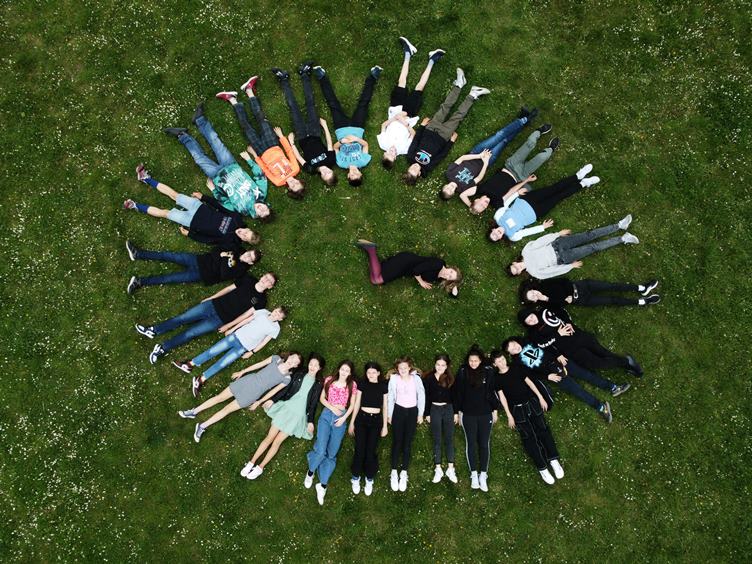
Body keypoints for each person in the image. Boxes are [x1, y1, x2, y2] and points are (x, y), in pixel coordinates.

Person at [134, 272, 276, 363]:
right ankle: (153, 330)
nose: (266, 280)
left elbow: (246, 315)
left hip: (220, 320)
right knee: (183, 318)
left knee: (191, 333)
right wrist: (212, 297)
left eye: (270, 281)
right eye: (266, 277)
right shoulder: (248, 279)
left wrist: (229, 326)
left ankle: (163, 348)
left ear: (270, 287)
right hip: (212, 305)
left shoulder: (261, 300)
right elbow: (229, 288)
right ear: (262, 276)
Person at [162, 108, 271, 217]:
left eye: (261, 213)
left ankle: (182, 135)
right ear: (267, 205)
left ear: (258, 216)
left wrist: (214, 190)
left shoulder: (242, 210)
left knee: (199, 158)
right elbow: (259, 175)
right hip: (231, 165)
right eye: (265, 208)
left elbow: (224, 203)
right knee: (216, 143)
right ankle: (200, 120)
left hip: (217, 177)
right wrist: (249, 160)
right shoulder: (261, 193)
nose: (261, 208)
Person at [123, 167, 268, 247]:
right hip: (199, 207)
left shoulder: (230, 242)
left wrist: (190, 234)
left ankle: (135, 205)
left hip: (191, 222)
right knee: (174, 195)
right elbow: (219, 206)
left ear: (245, 241)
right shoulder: (237, 218)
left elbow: (209, 240)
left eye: (245, 237)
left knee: (165, 213)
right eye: (246, 232)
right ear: (249, 228)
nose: (242, 233)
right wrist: (203, 197)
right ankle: (146, 179)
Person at [177, 352, 302, 443]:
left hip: (254, 393)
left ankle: (202, 426)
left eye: (295, 362)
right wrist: (243, 371)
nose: (292, 361)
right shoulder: (276, 359)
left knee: (226, 410)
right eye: (292, 358)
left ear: (296, 366)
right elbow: (258, 365)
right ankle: (193, 412)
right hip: (248, 380)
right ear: (289, 356)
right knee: (219, 397)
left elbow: (273, 392)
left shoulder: (287, 379)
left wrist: (259, 402)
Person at [240, 354, 325, 480]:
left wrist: (311, 421)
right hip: (286, 409)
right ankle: (251, 463)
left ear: (320, 368)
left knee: (277, 442)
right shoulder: (298, 375)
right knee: (269, 437)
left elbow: (313, 404)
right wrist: (273, 400)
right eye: (311, 364)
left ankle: (260, 467)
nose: (312, 367)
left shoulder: (318, 385)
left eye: (316, 365)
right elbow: (286, 389)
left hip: (298, 416)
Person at [502, 337, 626, 422]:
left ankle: (613, 387)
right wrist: (547, 376)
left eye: (514, 345)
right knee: (577, 391)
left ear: (516, 341)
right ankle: (601, 407)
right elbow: (531, 375)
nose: (515, 348)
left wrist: (558, 355)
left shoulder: (530, 341)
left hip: (560, 362)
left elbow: (548, 345)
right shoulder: (518, 363)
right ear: (510, 354)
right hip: (553, 375)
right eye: (511, 349)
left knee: (587, 375)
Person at [216, 79, 305, 198]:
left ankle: (232, 99)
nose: (294, 183)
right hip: (273, 143)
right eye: (297, 183)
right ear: (299, 181)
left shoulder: (278, 182)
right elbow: (289, 152)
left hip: (260, 150)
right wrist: (281, 137)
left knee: (246, 127)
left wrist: (255, 155)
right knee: (261, 118)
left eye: (293, 186)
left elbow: (265, 170)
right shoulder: (295, 169)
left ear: (289, 189)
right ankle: (249, 90)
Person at [172, 307, 288, 397]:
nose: (276, 314)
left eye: (279, 315)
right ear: (274, 309)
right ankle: (190, 364)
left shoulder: (275, 328)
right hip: (236, 336)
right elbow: (246, 320)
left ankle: (201, 379)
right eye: (276, 311)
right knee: (212, 351)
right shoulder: (263, 312)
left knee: (222, 363)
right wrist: (232, 328)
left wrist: (252, 352)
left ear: (280, 319)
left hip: (244, 347)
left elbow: (264, 342)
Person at [403, 69, 490, 184]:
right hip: (444, 136)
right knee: (458, 116)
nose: (414, 167)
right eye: (415, 171)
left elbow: (416, 140)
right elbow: (441, 155)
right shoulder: (428, 167)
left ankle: (459, 84)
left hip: (430, 129)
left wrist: (422, 126)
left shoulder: (410, 156)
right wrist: (451, 142)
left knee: (444, 107)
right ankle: (473, 95)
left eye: (411, 168)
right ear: (419, 174)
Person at [491, 350, 564, 485]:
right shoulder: (497, 379)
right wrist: (509, 415)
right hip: (517, 409)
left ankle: (553, 460)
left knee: (543, 430)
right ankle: (542, 468)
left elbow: (530, 383)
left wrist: (541, 397)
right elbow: (502, 398)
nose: (502, 362)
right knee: (528, 437)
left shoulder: (516, 368)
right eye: (498, 361)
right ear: (495, 364)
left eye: (503, 359)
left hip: (531, 403)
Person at [440, 112, 544, 200]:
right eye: (451, 191)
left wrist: (479, 155)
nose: (451, 188)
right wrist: (485, 162)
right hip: (487, 161)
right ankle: (522, 122)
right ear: (453, 193)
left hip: (476, 152)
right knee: (504, 141)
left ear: (444, 186)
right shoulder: (463, 188)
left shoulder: (449, 174)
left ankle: (524, 119)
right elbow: (479, 178)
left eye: (447, 188)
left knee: (499, 135)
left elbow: (462, 158)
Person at [481, 167, 601, 242]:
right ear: (500, 238)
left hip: (527, 200)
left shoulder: (498, 217)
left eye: (493, 234)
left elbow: (506, 204)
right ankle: (584, 183)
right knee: (559, 196)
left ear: (493, 229)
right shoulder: (512, 236)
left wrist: (517, 193)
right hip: (537, 212)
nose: (496, 234)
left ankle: (578, 175)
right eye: (497, 237)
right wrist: (542, 227)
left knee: (554, 188)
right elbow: (527, 232)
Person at [518, 306, 644, 376]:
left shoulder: (545, 311)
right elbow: (543, 344)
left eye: (531, 316)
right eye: (528, 321)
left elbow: (562, 311)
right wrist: (558, 335)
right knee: (598, 363)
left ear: (533, 313)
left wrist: (569, 323)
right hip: (571, 350)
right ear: (526, 324)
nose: (532, 320)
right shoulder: (533, 333)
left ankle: (629, 365)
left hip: (580, 336)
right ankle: (627, 362)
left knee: (603, 353)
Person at [378, 36, 445, 168]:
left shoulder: (383, 144)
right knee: (419, 87)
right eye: (393, 155)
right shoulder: (404, 149)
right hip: (409, 115)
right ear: (396, 157)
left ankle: (408, 53)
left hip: (395, 111)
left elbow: (383, 126)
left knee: (401, 82)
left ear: (384, 153)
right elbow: (413, 134)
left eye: (389, 153)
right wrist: (405, 122)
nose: (392, 151)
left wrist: (396, 118)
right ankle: (432, 60)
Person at [508, 214, 640, 279]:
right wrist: (570, 266)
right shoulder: (535, 273)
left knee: (589, 235)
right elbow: (553, 271)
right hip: (564, 258)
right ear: (519, 273)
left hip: (558, 244)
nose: (518, 268)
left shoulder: (526, 251)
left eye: (515, 266)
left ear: (514, 262)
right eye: (516, 271)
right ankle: (623, 238)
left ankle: (619, 225)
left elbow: (541, 241)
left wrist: (557, 234)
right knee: (593, 247)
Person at [313, 64, 383, 186]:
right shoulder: (363, 161)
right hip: (357, 127)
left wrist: (341, 142)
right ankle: (373, 76)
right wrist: (356, 139)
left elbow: (335, 148)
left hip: (341, 128)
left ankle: (322, 77)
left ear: (348, 176)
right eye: (357, 175)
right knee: (363, 103)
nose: (354, 173)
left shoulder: (341, 163)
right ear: (361, 174)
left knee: (333, 104)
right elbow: (365, 145)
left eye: (352, 176)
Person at [270, 63, 337, 186]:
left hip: (301, 136)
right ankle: (304, 74)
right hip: (315, 132)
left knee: (293, 107)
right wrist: (325, 126)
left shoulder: (311, 170)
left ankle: (283, 79)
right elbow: (329, 143)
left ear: (322, 178)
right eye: (329, 172)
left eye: (325, 175)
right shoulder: (331, 161)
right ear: (332, 171)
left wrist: (291, 143)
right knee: (310, 103)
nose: (326, 172)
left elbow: (299, 158)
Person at [304, 361, 358, 505]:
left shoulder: (352, 385)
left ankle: (322, 485)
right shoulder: (329, 380)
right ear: (339, 369)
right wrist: (332, 408)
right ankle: (310, 472)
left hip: (341, 418)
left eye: (347, 371)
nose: (344, 372)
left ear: (350, 373)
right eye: (342, 369)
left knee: (332, 453)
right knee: (321, 450)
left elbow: (352, 405)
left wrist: (343, 418)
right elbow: (322, 398)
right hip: (327, 415)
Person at [124, 240, 260, 295]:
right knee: (169, 256)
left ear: (251, 263)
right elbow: (216, 250)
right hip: (199, 260)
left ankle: (139, 282)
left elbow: (224, 274)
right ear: (247, 250)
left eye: (250, 258)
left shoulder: (241, 270)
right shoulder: (237, 249)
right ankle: (138, 254)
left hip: (202, 275)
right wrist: (222, 257)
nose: (247, 256)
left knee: (170, 278)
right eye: (249, 253)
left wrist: (224, 257)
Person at [453, 346, 500, 493]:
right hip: (468, 414)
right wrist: (457, 412)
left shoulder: (488, 371)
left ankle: (483, 475)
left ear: (480, 361)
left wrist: (495, 409)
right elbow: (458, 393)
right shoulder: (463, 372)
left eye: (475, 360)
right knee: (471, 443)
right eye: (471, 361)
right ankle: (474, 474)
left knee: (484, 444)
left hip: (485, 413)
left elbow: (492, 391)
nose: (473, 363)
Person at [355, 239, 462, 296]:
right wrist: (421, 282)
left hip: (404, 270)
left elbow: (451, 292)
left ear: (448, 280)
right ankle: (371, 249)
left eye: (450, 277)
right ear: (450, 268)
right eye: (451, 272)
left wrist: (455, 286)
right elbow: (416, 270)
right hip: (405, 261)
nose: (448, 274)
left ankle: (372, 252)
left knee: (376, 278)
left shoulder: (439, 277)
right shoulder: (438, 264)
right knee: (376, 280)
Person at [349, 361, 389, 496]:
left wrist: (385, 426)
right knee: (359, 450)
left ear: (378, 373)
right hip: (362, 419)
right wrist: (352, 422)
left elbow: (385, 406)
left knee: (370, 451)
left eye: (373, 372)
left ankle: (369, 478)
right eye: (368, 372)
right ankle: (355, 477)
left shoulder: (383, 386)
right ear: (366, 374)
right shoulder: (362, 384)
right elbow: (357, 404)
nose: (371, 375)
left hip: (376, 421)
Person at [387, 357, 425, 492]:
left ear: (409, 368)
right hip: (398, 411)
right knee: (397, 441)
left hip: (412, 412)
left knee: (407, 443)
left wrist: (420, 413)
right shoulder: (394, 379)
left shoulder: (416, 379)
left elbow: (421, 395)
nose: (403, 370)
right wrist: (390, 414)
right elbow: (391, 397)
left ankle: (404, 472)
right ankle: (393, 472)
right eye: (400, 368)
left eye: (405, 367)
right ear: (397, 369)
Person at [423, 354, 458, 484]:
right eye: (438, 364)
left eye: (443, 365)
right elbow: (426, 397)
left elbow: (455, 396)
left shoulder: (450, 378)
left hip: (448, 409)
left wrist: (455, 413)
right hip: (434, 409)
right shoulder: (429, 378)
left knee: (449, 439)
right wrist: (427, 413)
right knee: (437, 440)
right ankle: (438, 469)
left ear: (447, 366)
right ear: (435, 364)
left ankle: (450, 468)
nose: (440, 367)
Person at [519, 278, 660, 307]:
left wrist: (569, 294)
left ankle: (642, 288)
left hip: (582, 286)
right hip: (582, 300)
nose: (535, 294)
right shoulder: (545, 304)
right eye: (533, 297)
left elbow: (564, 281)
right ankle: (643, 301)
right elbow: (563, 304)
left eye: (532, 292)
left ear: (533, 289)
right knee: (612, 300)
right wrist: (547, 299)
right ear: (534, 301)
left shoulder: (544, 284)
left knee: (612, 286)